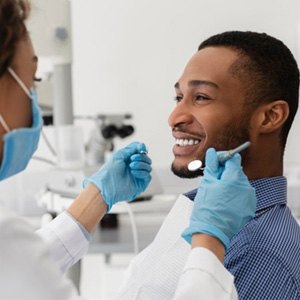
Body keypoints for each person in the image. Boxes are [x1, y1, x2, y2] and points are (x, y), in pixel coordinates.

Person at [0, 1, 257, 299]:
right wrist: (211, 240)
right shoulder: (8, 241)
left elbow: (19, 267)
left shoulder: (266, 250)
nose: (174, 118)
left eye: (201, 97)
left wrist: (96, 197)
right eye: (33, 80)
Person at [114, 31, 300, 299]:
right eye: (179, 98)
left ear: (270, 117)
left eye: (201, 97)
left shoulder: (259, 254)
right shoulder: (206, 218)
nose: (174, 117)